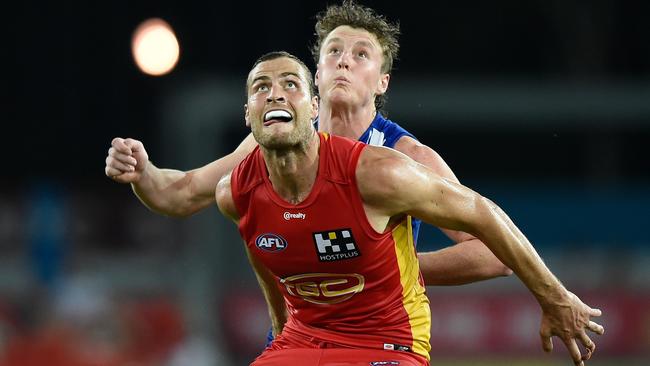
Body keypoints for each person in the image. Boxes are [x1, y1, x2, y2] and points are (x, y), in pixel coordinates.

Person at [215, 51, 603, 366]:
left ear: (314, 106)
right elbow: (263, 247)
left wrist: (554, 296)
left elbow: (482, 213)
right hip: (303, 344)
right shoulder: (236, 193)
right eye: (261, 87)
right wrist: (280, 328)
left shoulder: (377, 173)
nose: (275, 94)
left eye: (290, 84)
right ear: (249, 114)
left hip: (384, 346)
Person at [105, 0, 510, 288]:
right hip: (299, 333)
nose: (344, 60)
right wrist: (144, 173)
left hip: (371, 336)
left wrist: (394, 270)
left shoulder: (405, 156)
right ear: (315, 75)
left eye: (361, 54)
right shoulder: (275, 141)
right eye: (333, 51)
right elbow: (182, 194)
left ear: (382, 82)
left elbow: (494, 253)